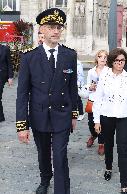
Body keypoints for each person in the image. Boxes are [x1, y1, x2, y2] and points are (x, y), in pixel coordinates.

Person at [16, 8, 78, 194]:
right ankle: (45, 179)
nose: (56, 31)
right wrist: (22, 125)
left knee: (60, 156)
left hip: (62, 115)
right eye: (51, 27)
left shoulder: (70, 55)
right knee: (43, 154)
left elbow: (72, 88)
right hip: (39, 115)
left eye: (59, 27)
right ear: (41, 30)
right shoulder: (29, 57)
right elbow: (22, 94)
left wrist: (74, 113)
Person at [93, 48, 127, 194]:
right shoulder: (105, 76)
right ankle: (108, 167)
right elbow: (98, 98)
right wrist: (96, 120)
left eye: (122, 60)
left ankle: (124, 185)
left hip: (124, 117)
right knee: (108, 145)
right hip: (106, 116)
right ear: (111, 61)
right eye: (117, 60)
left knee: (123, 150)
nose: (120, 63)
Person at [85, 50, 108, 156]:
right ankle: (93, 135)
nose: (102, 58)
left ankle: (101, 144)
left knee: (102, 123)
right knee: (91, 123)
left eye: (105, 57)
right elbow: (87, 86)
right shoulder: (91, 72)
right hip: (93, 100)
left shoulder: (110, 71)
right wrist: (90, 87)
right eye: (100, 56)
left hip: (104, 102)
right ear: (97, 59)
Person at [0, 44, 13, 122]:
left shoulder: (5, 49)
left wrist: (10, 77)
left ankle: (1, 117)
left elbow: (9, 63)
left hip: (1, 76)